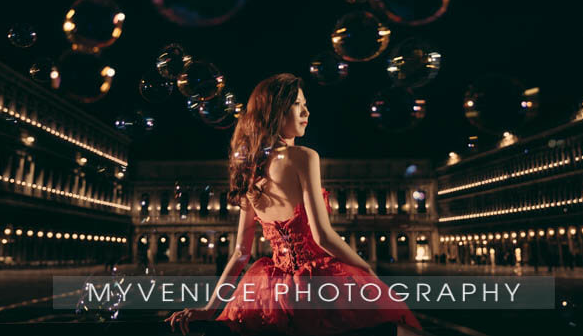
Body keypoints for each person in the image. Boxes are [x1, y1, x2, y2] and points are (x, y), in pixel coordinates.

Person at [164, 74, 422, 335]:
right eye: (298, 104)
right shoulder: (304, 157)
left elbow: (240, 253)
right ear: (276, 110)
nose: (306, 111)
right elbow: (323, 237)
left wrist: (209, 309)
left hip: (271, 294)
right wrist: (366, 269)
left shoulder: (249, 172)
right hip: (319, 286)